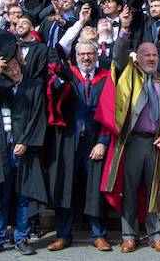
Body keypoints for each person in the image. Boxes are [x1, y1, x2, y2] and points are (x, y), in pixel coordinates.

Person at [98, 6, 160, 253]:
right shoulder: (127, 75)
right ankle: (129, 235)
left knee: (156, 191)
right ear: (139, 58)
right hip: (131, 143)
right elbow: (119, 56)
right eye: (147, 56)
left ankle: (156, 235)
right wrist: (123, 29)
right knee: (129, 191)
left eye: (154, 55)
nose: (152, 59)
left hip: (155, 144)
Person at [0, 31, 48, 256]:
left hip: (24, 151)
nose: (14, 71)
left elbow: (38, 116)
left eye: (15, 66)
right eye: (8, 69)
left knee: (24, 196)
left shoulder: (34, 86)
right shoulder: (0, 87)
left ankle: (21, 237)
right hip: (2, 151)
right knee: (0, 194)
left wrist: (26, 142)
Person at [46, 40, 114, 252]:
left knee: (95, 189)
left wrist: (103, 143)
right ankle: (63, 235)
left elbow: (112, 112)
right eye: (82, 54)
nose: (86, 57)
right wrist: (60, 79)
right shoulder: (69, 76)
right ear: (76, 56)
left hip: (94, 142)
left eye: (90, 53)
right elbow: (54, 94)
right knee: (66, 188)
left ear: (97, 55)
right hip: (69, 143)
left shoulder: (106, 78)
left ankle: (99, 235)